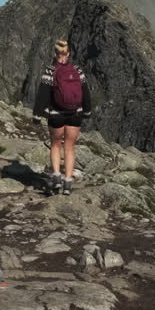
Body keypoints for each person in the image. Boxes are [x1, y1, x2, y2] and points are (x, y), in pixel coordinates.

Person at [33, 38, 93, 195]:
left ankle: (57, 177)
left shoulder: (50, 70)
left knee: (55, 145)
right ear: (68, 53)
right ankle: (68, 183)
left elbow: (43, 94)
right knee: (70, 147)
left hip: (56, 114)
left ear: (55, 53)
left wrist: (37, 114)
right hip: (75, 114)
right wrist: (87, 111)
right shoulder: (77, 70)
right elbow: (85, 92)